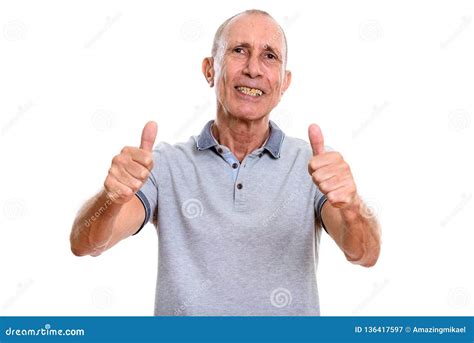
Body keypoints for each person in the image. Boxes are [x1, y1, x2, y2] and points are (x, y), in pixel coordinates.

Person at [70, 9, 381, 316]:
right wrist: (109, 199)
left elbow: (365, 254)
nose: (253, 69)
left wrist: (352, 206)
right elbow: (86, 244)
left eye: (269, 56)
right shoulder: (164, 166)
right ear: (209, 70)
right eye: (239, 51)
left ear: (284, 83)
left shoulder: (313, 165)